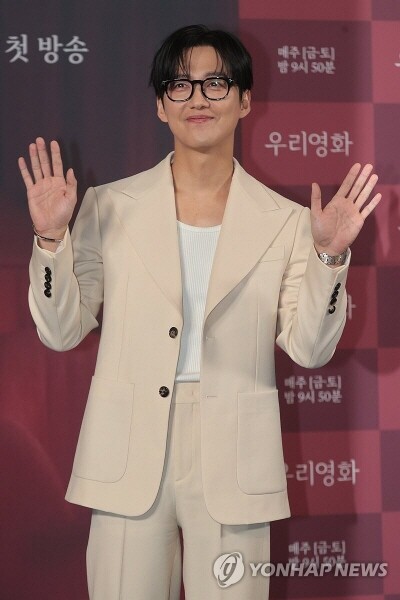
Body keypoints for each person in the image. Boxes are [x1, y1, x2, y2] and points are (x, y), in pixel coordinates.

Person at [18, 24, 381, 600]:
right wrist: (50, 240)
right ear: (161, 105)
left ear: (245, 100)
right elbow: (62, 332)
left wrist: (329, 257)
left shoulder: (287, 222)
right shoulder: (109, 206)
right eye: (180, 85)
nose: (198, 99)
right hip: (129, 453)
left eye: (215, 83)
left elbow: (311, 350)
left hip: (234, 458)